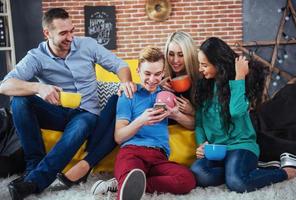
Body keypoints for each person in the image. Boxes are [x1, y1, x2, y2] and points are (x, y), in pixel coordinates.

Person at [0, 8, 135, 200]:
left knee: (83, 122)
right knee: (20, 101)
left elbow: (119, 65)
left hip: (86, 113)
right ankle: (34, 164)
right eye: (63, 33)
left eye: (72, 30)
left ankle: (35, 181)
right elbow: (4, 85)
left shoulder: (87, 45)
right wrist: (38, 87)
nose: (70, 37)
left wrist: (125, 82)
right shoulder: (36, 56)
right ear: (47, 33)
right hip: (56, 112)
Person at [190, 37, 296, 193]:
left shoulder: (240, 83)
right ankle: (245, 169)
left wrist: (240, 77)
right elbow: (199, 123)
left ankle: (285, 172)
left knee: (238, 183)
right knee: (199, 174)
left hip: (241, 145)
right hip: (217, 150)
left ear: (218, 64)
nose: (200, 69)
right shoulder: (204, 87)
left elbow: (236, 111)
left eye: (204, 65)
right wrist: (202, 144)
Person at [91, 47, 196, 200]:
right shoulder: (128, 94)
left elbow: (193, 124)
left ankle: (124, 183)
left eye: (157, 74)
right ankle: (126, 184)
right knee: (130, 177)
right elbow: (119, 137)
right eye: (147, 73)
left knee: (187, 180)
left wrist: (176, 114)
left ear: (163, 72)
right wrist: (141, 121)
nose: (152, 79)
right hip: (132, 152)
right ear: (138, 70)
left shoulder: (167, 95)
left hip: (158, 157)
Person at [161, 31, 199, 129]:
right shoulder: (162, 79)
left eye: (181, 55)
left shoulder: (200, 80)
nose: (175, 60)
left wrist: (193, 111)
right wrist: (157, 88)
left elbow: (205, 122)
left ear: (189, 55)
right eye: (171, 54)